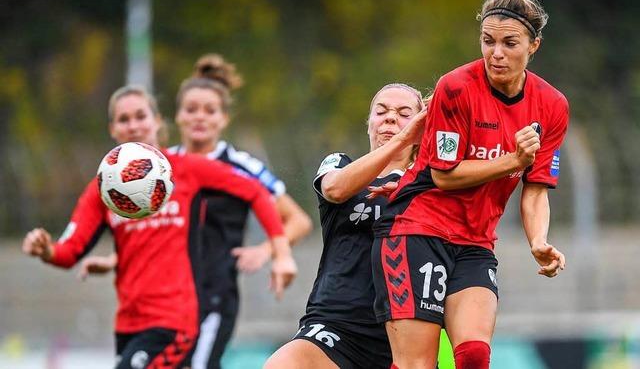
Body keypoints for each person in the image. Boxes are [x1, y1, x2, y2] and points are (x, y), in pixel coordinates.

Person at [370, 0, 581, 369]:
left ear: (534, 46)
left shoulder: (552, 105)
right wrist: (511, 160)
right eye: (488, 41)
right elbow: (443, 177)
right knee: (416, 365)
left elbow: (536, 188)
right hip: (415, 232)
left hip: (474, 243)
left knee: (473, 355)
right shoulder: (455, 87)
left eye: (509, 43)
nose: (496, 53)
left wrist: (538, 240)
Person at [22, 85, 298, 369]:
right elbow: (70, 251)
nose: (133, 125)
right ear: (113, 129)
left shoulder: (185, 169)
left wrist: (280, 252)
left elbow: (255, 191)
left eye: (141, 116)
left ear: (157, 122)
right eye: (124, 119)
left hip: (174, 321)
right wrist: (46, 250)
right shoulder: (102, 188)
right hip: (129, 323)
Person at [82, 54, 313, 369]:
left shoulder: (242, 167)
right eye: (191, 110)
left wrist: (267, 249)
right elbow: (154, 232)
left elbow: (299, 220)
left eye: (210, 110)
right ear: (176, 117)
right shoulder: (160, 169)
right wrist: (115, 259)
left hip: (215, 296)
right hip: (168, 304)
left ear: (224, 118)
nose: (199, 117)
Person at [265, 83, 427, 369]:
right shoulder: (339, 164)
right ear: (369, 124)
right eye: (381, 111)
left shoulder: (428, 185)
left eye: (404, 114)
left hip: (404, 335)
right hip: (336, 326)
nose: (390, 118)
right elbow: (335, 190)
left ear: (421, 129)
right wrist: (400, 140)